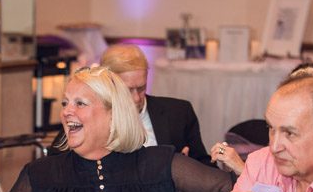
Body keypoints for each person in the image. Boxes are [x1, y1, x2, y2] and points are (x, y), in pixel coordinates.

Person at [2, 67, 233, 192]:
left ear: (113, 113)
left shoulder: (160, 167)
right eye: (65, 103)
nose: (66, 112)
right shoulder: (41, 175)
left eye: (80, 103)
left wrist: (243, 172)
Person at [52, 44, 211, 163]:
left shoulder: (179, 113)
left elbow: (206, 168)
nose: (136, 98)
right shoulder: (88, 117)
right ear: (107, 86)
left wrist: (186, 166)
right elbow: (56, 164)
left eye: (141, 88)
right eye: (128, 90)